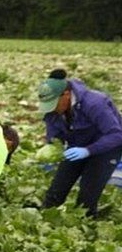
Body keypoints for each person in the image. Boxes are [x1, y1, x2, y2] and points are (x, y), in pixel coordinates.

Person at [37, 76, 122, 217]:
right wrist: (52, 146)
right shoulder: (52, 111)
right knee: (57, 189)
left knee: (87, 198)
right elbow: (54, 132)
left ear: (66, 95)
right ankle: (45, 217)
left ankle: (88, 224)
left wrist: (88, 150)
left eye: (54, 103)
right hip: (77, 145)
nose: (52, 108)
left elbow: (116, 135)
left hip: (107, 147)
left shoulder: (94, 103)